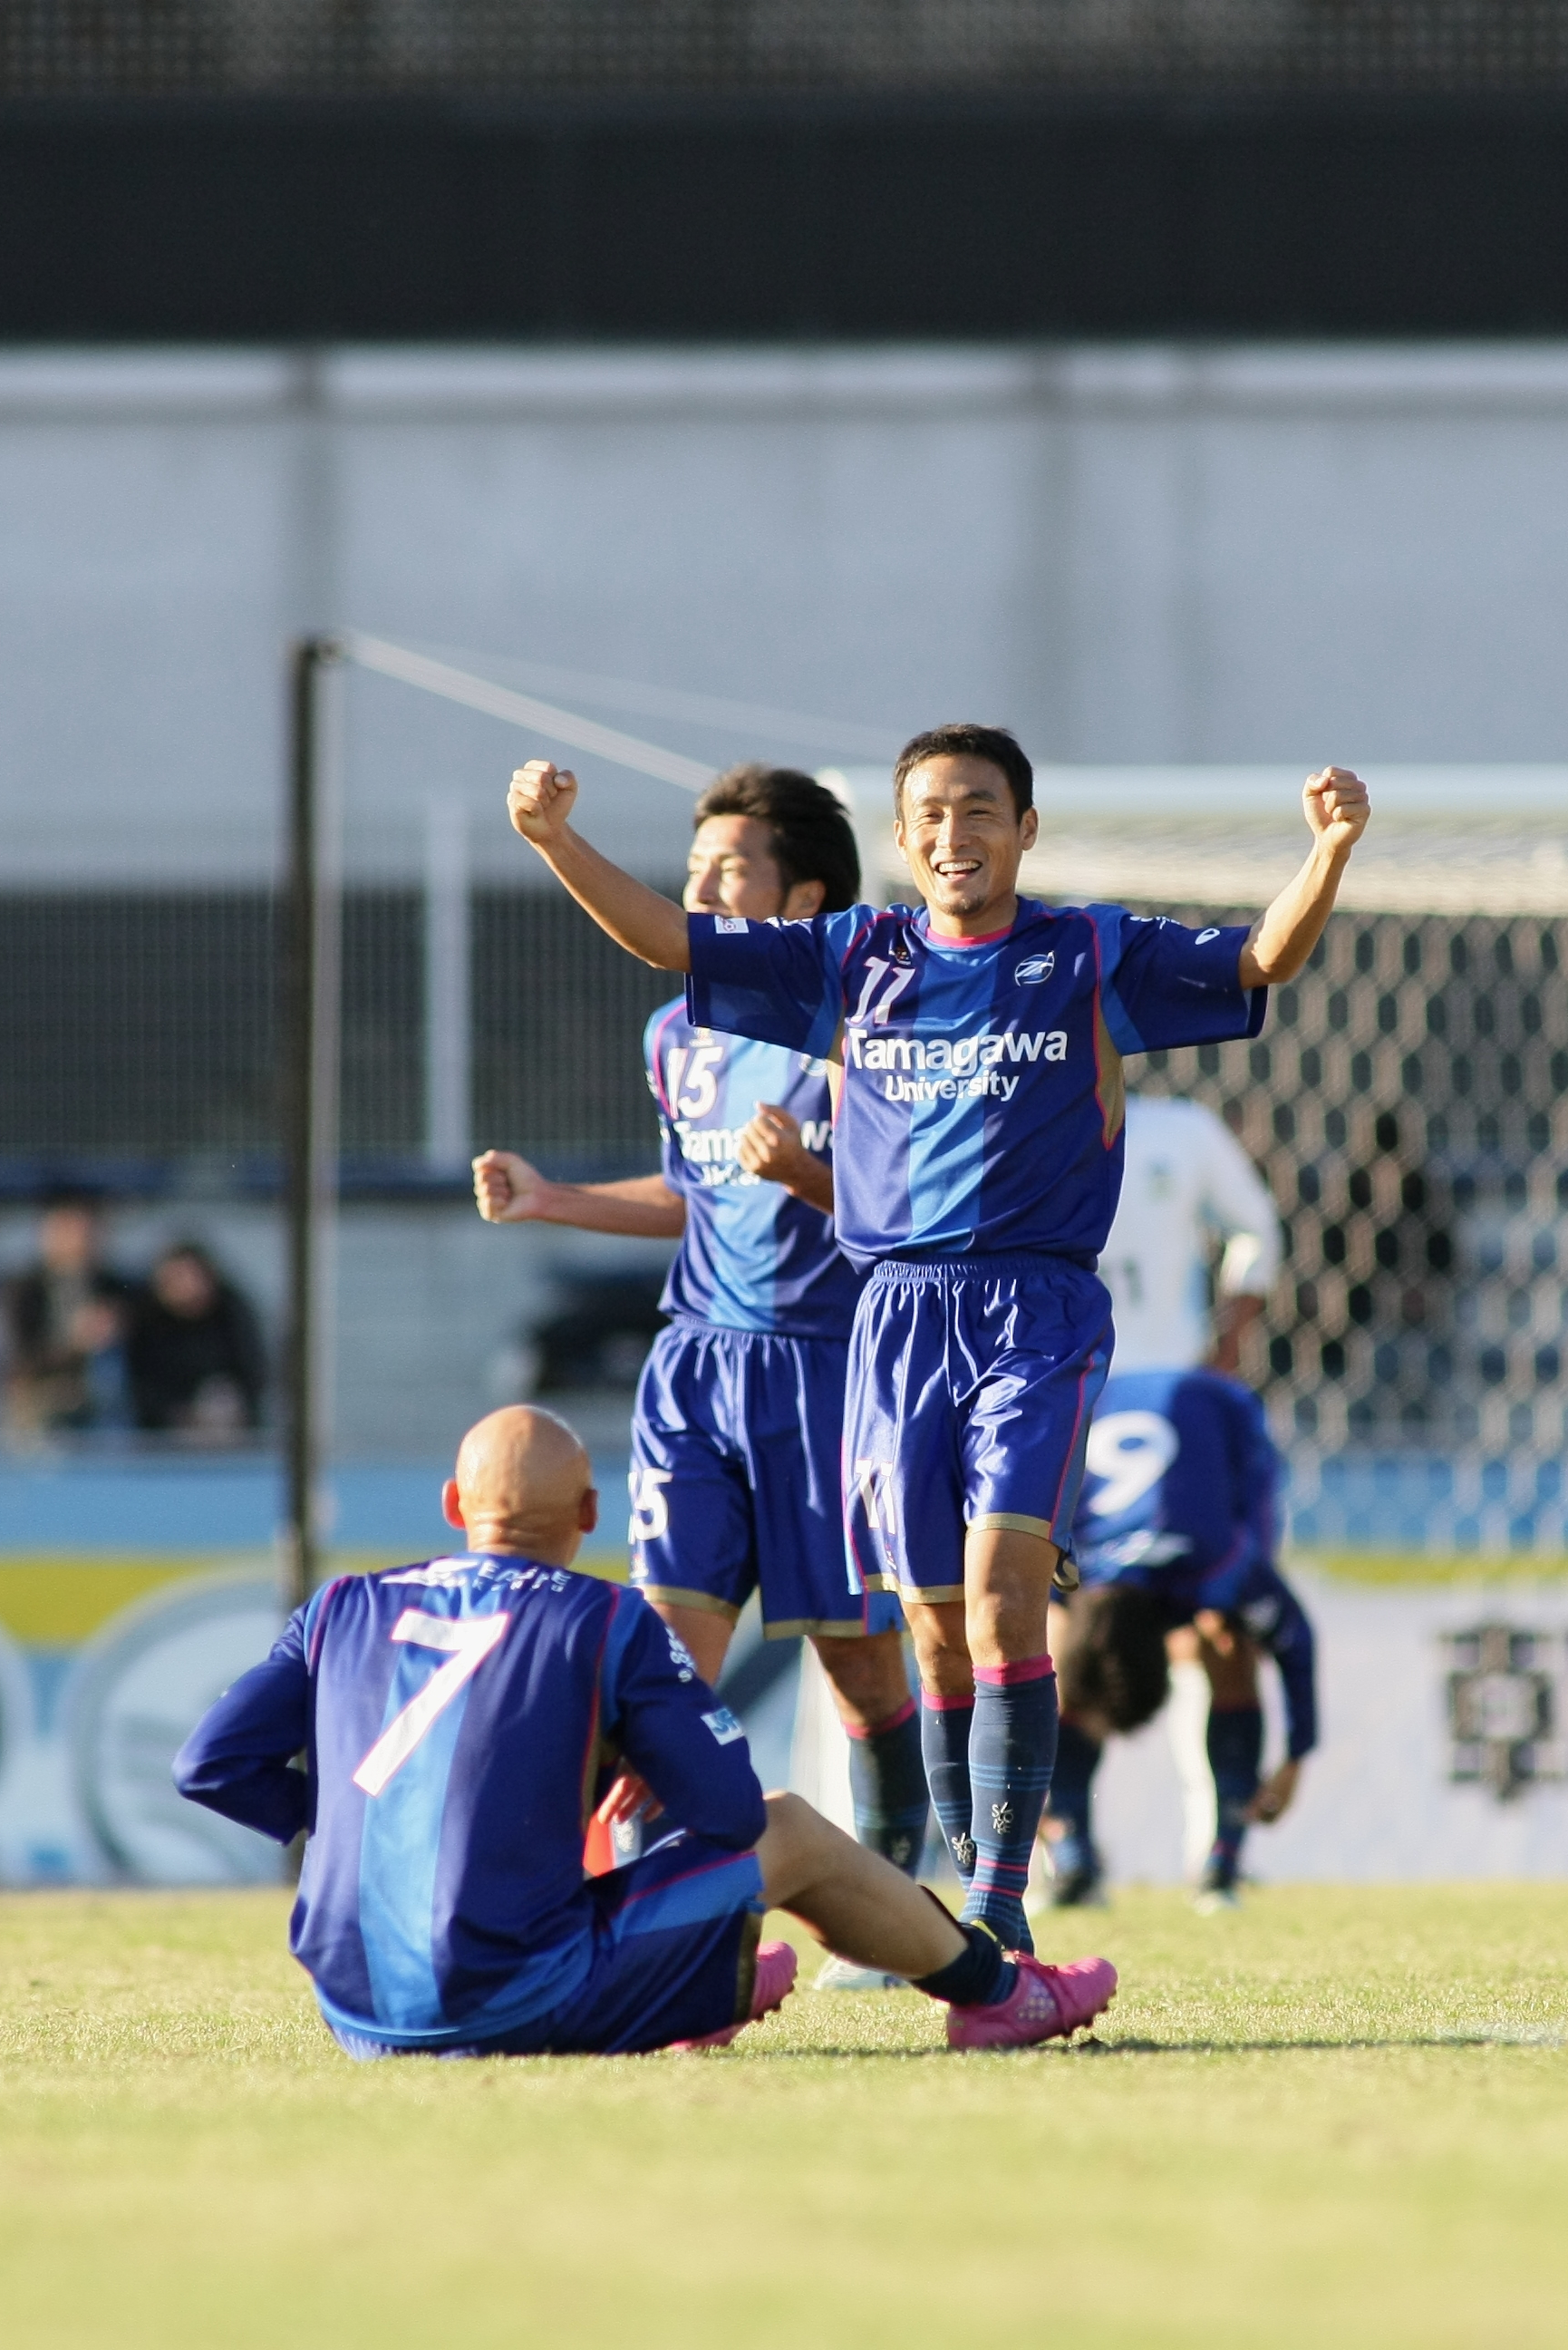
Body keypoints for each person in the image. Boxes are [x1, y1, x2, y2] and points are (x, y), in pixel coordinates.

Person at [508, 722, 1364, 1950]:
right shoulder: (854, 957)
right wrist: (555, 840)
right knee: (930, 1634)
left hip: (1036, 1313)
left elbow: (1261, 959)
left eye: (979, 810)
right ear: (903, 841)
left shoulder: (1088, 951)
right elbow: (666, 940)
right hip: (895, 1316)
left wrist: (1327, 852)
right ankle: (949, 1902)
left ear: (1026, 830)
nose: (954, 833)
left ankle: (999, 1910)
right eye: (931, 815)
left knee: (1006, 1601)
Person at [172, 1404, 1116, 2057]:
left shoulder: (339, 1607)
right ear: (591, 1516)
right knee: (791, 1828)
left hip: (352, 2011)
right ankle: (999, 1994)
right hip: (516, 1995)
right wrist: (628, 1752)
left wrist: (350, 1818)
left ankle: (701, 1980)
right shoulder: (604, 1619)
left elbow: (209, 1765)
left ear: (455, 1508)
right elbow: (730, 1813)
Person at [471, 764, 930, 1990]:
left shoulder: (868, 1029)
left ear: (804, 897)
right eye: (695, 872)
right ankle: (655, 1928)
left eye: (731, 871)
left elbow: (915, 1215)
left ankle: (891, 1906)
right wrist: (555, 1199)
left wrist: (812, 1177)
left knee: (860, 1663)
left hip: (830, 1375)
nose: (703, 890)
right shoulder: (676, 1033)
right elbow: (692, 1194)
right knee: (662, 1674)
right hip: (697, 1372)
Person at [1045, 1365, 1318, 1913]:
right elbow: (1299, 1642)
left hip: (1220, 1412)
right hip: (1103, 1403)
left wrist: (1295, 1757)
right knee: (1056, 1656)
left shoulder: (1220, 1563)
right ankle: (1072, 1858)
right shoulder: (1064, 1559)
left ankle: (1222, 1861)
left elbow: (1292, 1638)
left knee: (1228, 1638)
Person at [1099, 1092, 1284, 1376]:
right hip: (1157, 1376)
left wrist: (1225, 1350)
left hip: (1156, 1375)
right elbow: (1257, 1231)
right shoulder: (1181, 1128)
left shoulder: (1181, 1130)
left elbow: (1256, 1233)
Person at [0, 1190, 127, 1439]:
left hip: (106, 1406)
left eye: (88, 1229)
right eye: (71, 1229)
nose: (81, 1238)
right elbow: (18, 1363)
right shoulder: (24, 1290)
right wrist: (75, 1343)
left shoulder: (114, 1287)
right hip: (43, 1406)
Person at [121, 1238, 266, 1441]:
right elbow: (139, 1384)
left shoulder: (232, 1314)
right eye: (176, 1278)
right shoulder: (145, 1320)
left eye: (192, 1277)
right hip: (160, 1439)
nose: (185, 1286)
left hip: (232, 1434)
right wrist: (178, 1415)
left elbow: (255, 1371)